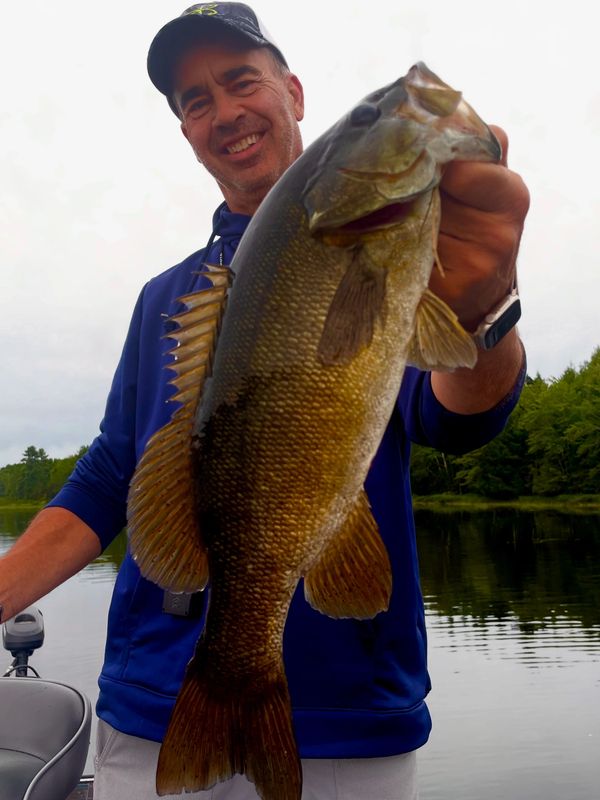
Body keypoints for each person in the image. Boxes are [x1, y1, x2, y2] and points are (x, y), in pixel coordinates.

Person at [0, 3, 529, 799]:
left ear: (293, 93)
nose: (223, 111)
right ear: (186, 132)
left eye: (240, 81)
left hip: (351, 724)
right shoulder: (162, 299)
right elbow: (114, 474)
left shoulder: (398, 253)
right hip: (151, 710)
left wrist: (488, 312)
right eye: (196, 100)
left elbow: (458, 413)